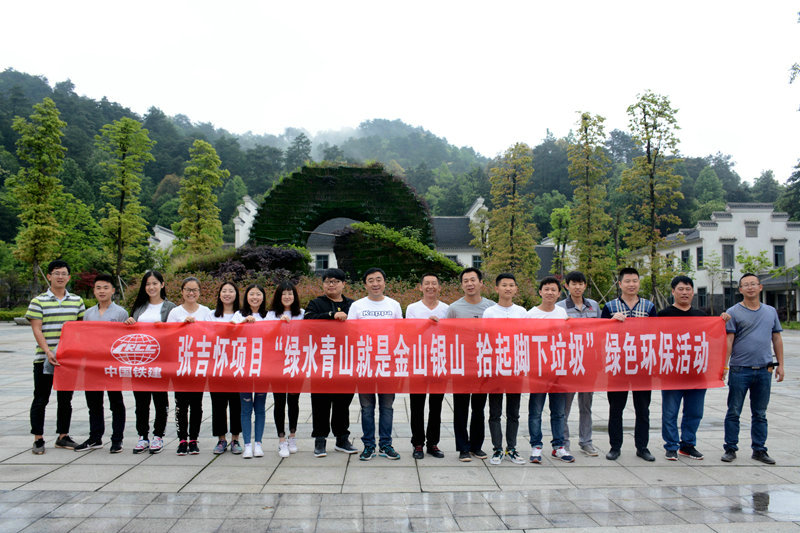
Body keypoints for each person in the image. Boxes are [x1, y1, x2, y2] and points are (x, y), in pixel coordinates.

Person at [721, 273, 785, 465]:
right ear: (740, 290)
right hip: (740, 369)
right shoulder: (733, 312)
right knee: (734, 411)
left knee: (760, 413)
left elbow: (776, 338)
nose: (750, 288)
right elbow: (729, 340)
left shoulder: (770, 312)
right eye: (746, 285)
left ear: (760, 287)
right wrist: (724, 365)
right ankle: (730, 448)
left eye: (753, 284)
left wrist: (780, 364)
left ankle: (759, 449)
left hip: (765, 369)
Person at [26, 260, 85, 454]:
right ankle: (38, 438)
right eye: (56, 273)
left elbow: (80, 330)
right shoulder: (38, 301)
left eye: (64, 273)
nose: (60, 277)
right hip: (43, 359)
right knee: (41, 399)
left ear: (69, 277)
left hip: (67, 360)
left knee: (65, 400)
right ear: (49, 276)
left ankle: (63, 436)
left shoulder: (77, 301)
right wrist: (48, 352)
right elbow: (37, 329)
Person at [601, 267, 657, 462]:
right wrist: (611, 322)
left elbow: (657, 333)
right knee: (616, 408)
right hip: (618, 364)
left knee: (643, 409)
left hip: (642, 364)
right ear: (620, 284)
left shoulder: (649, 307)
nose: (631, 284)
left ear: (639, 283)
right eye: (627, 281)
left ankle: (642, 447)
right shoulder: (610, 307)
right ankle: (615, 447)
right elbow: (601, 335)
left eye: (635, 281)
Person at [348, 267, 403, 461]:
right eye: (371, 280)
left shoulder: (394, 305)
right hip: (365, 363)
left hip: (387, 363)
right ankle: (369, 446)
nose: (375, 283)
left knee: (387, 407)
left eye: (379, 279)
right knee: (367, 407)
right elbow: (350, 334)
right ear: (365, 285)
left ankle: (386, 445)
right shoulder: (357, 306)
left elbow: (401, 333)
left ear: (384, 282)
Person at [305, 268, 357, 458]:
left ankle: (342, 438)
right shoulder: (316, 303)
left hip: (346, 361)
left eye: (335, 281)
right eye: (327, 281)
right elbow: (307, 321)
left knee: (343, 403)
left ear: (344, 284)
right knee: (320, 402)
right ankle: (320, 440)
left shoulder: (353, 305)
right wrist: (330, 315)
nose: (331, 285)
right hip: (322, 361)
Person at [75, 273, 128, 453]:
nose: (102, 291)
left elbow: (124, 340)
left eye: (106, 287)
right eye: (98, 288)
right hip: (92, 365)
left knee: (116, 402)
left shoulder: (121, 313)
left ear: (113, 290)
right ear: (94, 291)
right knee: (94, 403)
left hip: (112, 364)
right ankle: (95, 437)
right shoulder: (88, 313)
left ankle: (117, 439)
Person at [124, 271, 176, 454]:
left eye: (155, 283)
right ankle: (142, 436)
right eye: (147, 284)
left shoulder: (170, 308)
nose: (151, 287)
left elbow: (176, 332)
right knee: (141, 402)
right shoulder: (139, 307)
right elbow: (131, 335)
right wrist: (129, 323)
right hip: (140, 362)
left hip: (160, 362)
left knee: (160, 401)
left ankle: (158, 436)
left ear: (162, 285)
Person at [658, 275, 709, 461]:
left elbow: (712, 341)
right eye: (680, 289)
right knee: (670, 412)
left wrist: (722, 322)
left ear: (693, 292)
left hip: (696, 371)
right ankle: (671, 445)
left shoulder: (702, 316)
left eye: (688, 289)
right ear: (673, 292)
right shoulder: (663, 315)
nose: (684, 293)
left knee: (694, 412)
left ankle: (688, 445)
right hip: (672, 371)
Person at [446, 267, 494, 462]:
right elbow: (447, 337)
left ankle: (476, 446)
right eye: (465, 281)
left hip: (483, 364)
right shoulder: (454, 309)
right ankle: (463, 448)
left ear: (481, 283)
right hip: (461, 365)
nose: (469, 284)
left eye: (473, 280)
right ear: (461, 285)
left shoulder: (490, 308)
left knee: (479, 408)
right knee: (461, 408)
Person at [526, 276, 574, 464]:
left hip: (558, 369)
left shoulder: (562, 313)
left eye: (553, 290)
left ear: (559, 293)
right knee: (536, 411)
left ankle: (559, 446)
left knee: (559, 411)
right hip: (538, 370)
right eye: (546, 289)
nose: (550, 293)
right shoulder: (531, 315)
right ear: (540, 292)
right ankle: (536, 446)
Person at [483, 273, 526, 465]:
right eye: (504, 285)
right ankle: (497, 449)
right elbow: (485, 339)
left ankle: (512, 448)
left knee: (513, 412)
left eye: (511, 285)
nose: (508, 288)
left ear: (516, 289)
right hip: (496, 368)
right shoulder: (489, 312)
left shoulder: (522, 312)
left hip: (516, 368)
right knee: (495, 412)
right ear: (496, 288)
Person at [556, 270, 601, 457]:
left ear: (585, 286)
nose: (577, 287)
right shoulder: (560, 308)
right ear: (566, 286)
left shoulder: (594, 306)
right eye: (573, 284)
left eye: (580, 284)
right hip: (568, 363)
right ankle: (564, 442)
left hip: (588, 363)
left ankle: (586, 442)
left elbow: (601, 331)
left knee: (586, 406)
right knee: (564, 407)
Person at [405, 273, 449, 460]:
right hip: (418, 362)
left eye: (434, 283)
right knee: (417, 405)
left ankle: (433, 443)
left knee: (436, 405)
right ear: (420, 287)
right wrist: (425, 325)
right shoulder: (412, 308)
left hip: (439, 361)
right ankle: (417, 443)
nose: (431, 286)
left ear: (439, 287)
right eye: (427, 283)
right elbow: (407, 334)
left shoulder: (447, 309)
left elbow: (452, 335)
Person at [167, 277, 212, 455]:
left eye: (194, 290)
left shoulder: (206, 312)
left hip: (198, 364)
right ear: (182, 291)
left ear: (199, 292)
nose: (191, 293)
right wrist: (181, 326)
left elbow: (212, 334)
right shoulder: (175, 312)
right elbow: (167, 336)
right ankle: (182, 439)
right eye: (188, 289)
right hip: (180, 365)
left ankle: (193, 439)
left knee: (196, 403)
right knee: (181, 404)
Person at [266, 281, 304, 458]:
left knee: (294, 401)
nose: (287, 297)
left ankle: (292, 436)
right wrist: (277, 325)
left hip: (296, 363)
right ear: (278, 296)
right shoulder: (271, 315)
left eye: (290, 293)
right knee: (279, 401)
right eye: (284, 294)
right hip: (277, 364)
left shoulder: (301, 314)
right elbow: (264, 335)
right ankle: (281, 439)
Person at [207, 282, 243, 455]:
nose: (227, 294)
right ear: (219, 294)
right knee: (218, 404)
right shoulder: (211, 315)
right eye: (224, 291)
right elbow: (206, 334)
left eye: (231, 291)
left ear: (236, 294)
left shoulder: (242, 314)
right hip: (217, 365)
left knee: (237, 403)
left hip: (237, 365)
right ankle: (221, 439)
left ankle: (235, 439)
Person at [233, 284, 268, 459]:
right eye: (251, 294)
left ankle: (258, 444)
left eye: (258, 294)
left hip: (263, 368)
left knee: (260, 408)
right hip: (244, 368)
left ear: (263, 297)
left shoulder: (269, 315)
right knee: (246, 408)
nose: (255, 297)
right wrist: (243, 323)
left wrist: (284, 320)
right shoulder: (239, 314)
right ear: (246, 297)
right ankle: (247, 444)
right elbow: (229, 331)